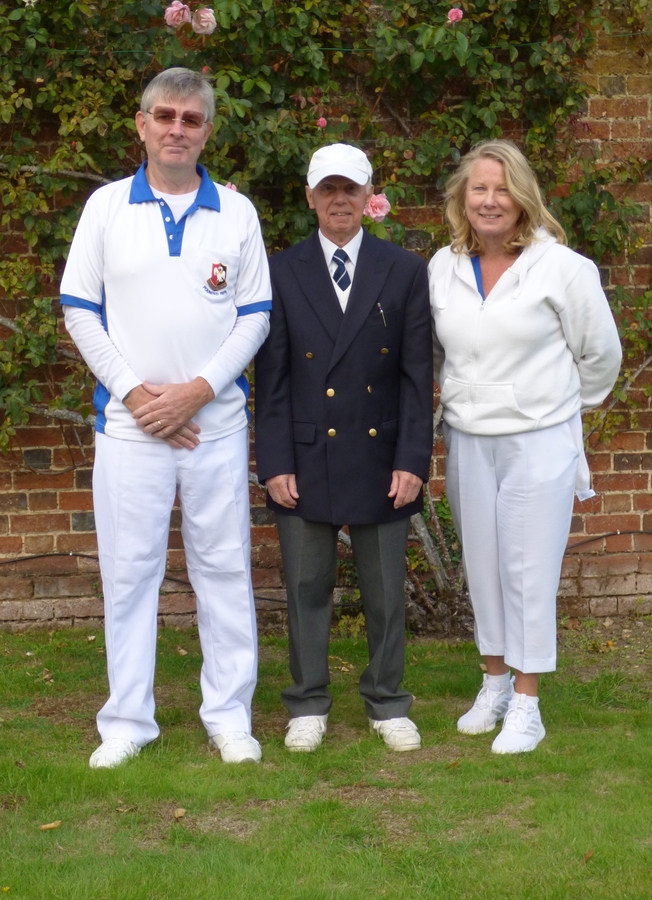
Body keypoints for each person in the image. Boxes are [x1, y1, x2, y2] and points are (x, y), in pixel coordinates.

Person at [60, 68, 272, 768]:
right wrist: (139, 396)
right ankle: (125, 722)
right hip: (129, 429)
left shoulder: (236, 214)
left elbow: (255, 316)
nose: (177, 128)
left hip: (214, 425)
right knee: (129, 573)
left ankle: (230, 716)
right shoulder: (105, 208)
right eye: (165, 115)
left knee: (223, 568)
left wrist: (197, 392)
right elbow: (80, 309)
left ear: (209, 130)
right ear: (142, 124)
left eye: (191, 118)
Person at [428, 139, 622, 753]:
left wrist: (555, 405)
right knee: (481, 567)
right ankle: (494, 683)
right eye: (479, 188)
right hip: (468, 437)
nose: (490, 200)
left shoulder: (562, 268)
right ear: (464, 197)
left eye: (502, 188)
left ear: (524, 197)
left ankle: (528, 700)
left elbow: (601, 356)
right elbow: (437, 354)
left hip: (538, 442)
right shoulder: (443, 266)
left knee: (528, 571)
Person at [255, 143, 433, 753]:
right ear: (310, 197)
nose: (339, 200)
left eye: (350, 189)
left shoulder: (404, 270)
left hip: (383, 457)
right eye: (328, 189)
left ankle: (387, 701)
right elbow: (271, 379)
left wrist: (413, 459)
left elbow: (417, 379)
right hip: (304, 457)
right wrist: (274, 462)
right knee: (306, 588)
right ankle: (307, 703)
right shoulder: (280, 271)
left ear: (368, 198)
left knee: (386, 591)